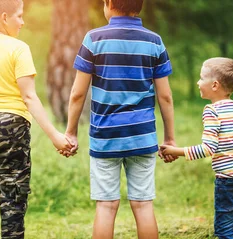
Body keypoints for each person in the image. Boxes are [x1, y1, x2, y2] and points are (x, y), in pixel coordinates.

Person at [0, 0, 73, 238]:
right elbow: (29, 97)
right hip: (12, 128)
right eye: (19, 16)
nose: (22, 21)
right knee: (13, 201)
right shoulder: (19, 49)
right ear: (3, 17)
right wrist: (56, 137)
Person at [62, 0, 176, 238]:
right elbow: (165, 96)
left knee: (106, 206)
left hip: (106, 137)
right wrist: (170, 138)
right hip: (142, 137)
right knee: (144, 205)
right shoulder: (154, 41)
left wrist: (71, 132)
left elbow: (77, 94)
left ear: (110, 4)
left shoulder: (94, 39)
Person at [160, 57, 233, 239]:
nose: (198, 82)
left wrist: (176, 151)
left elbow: (208, 148)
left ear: (214, 85)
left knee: (224, 230)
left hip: (229, 180)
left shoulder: (212, 111)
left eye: (201, 77)